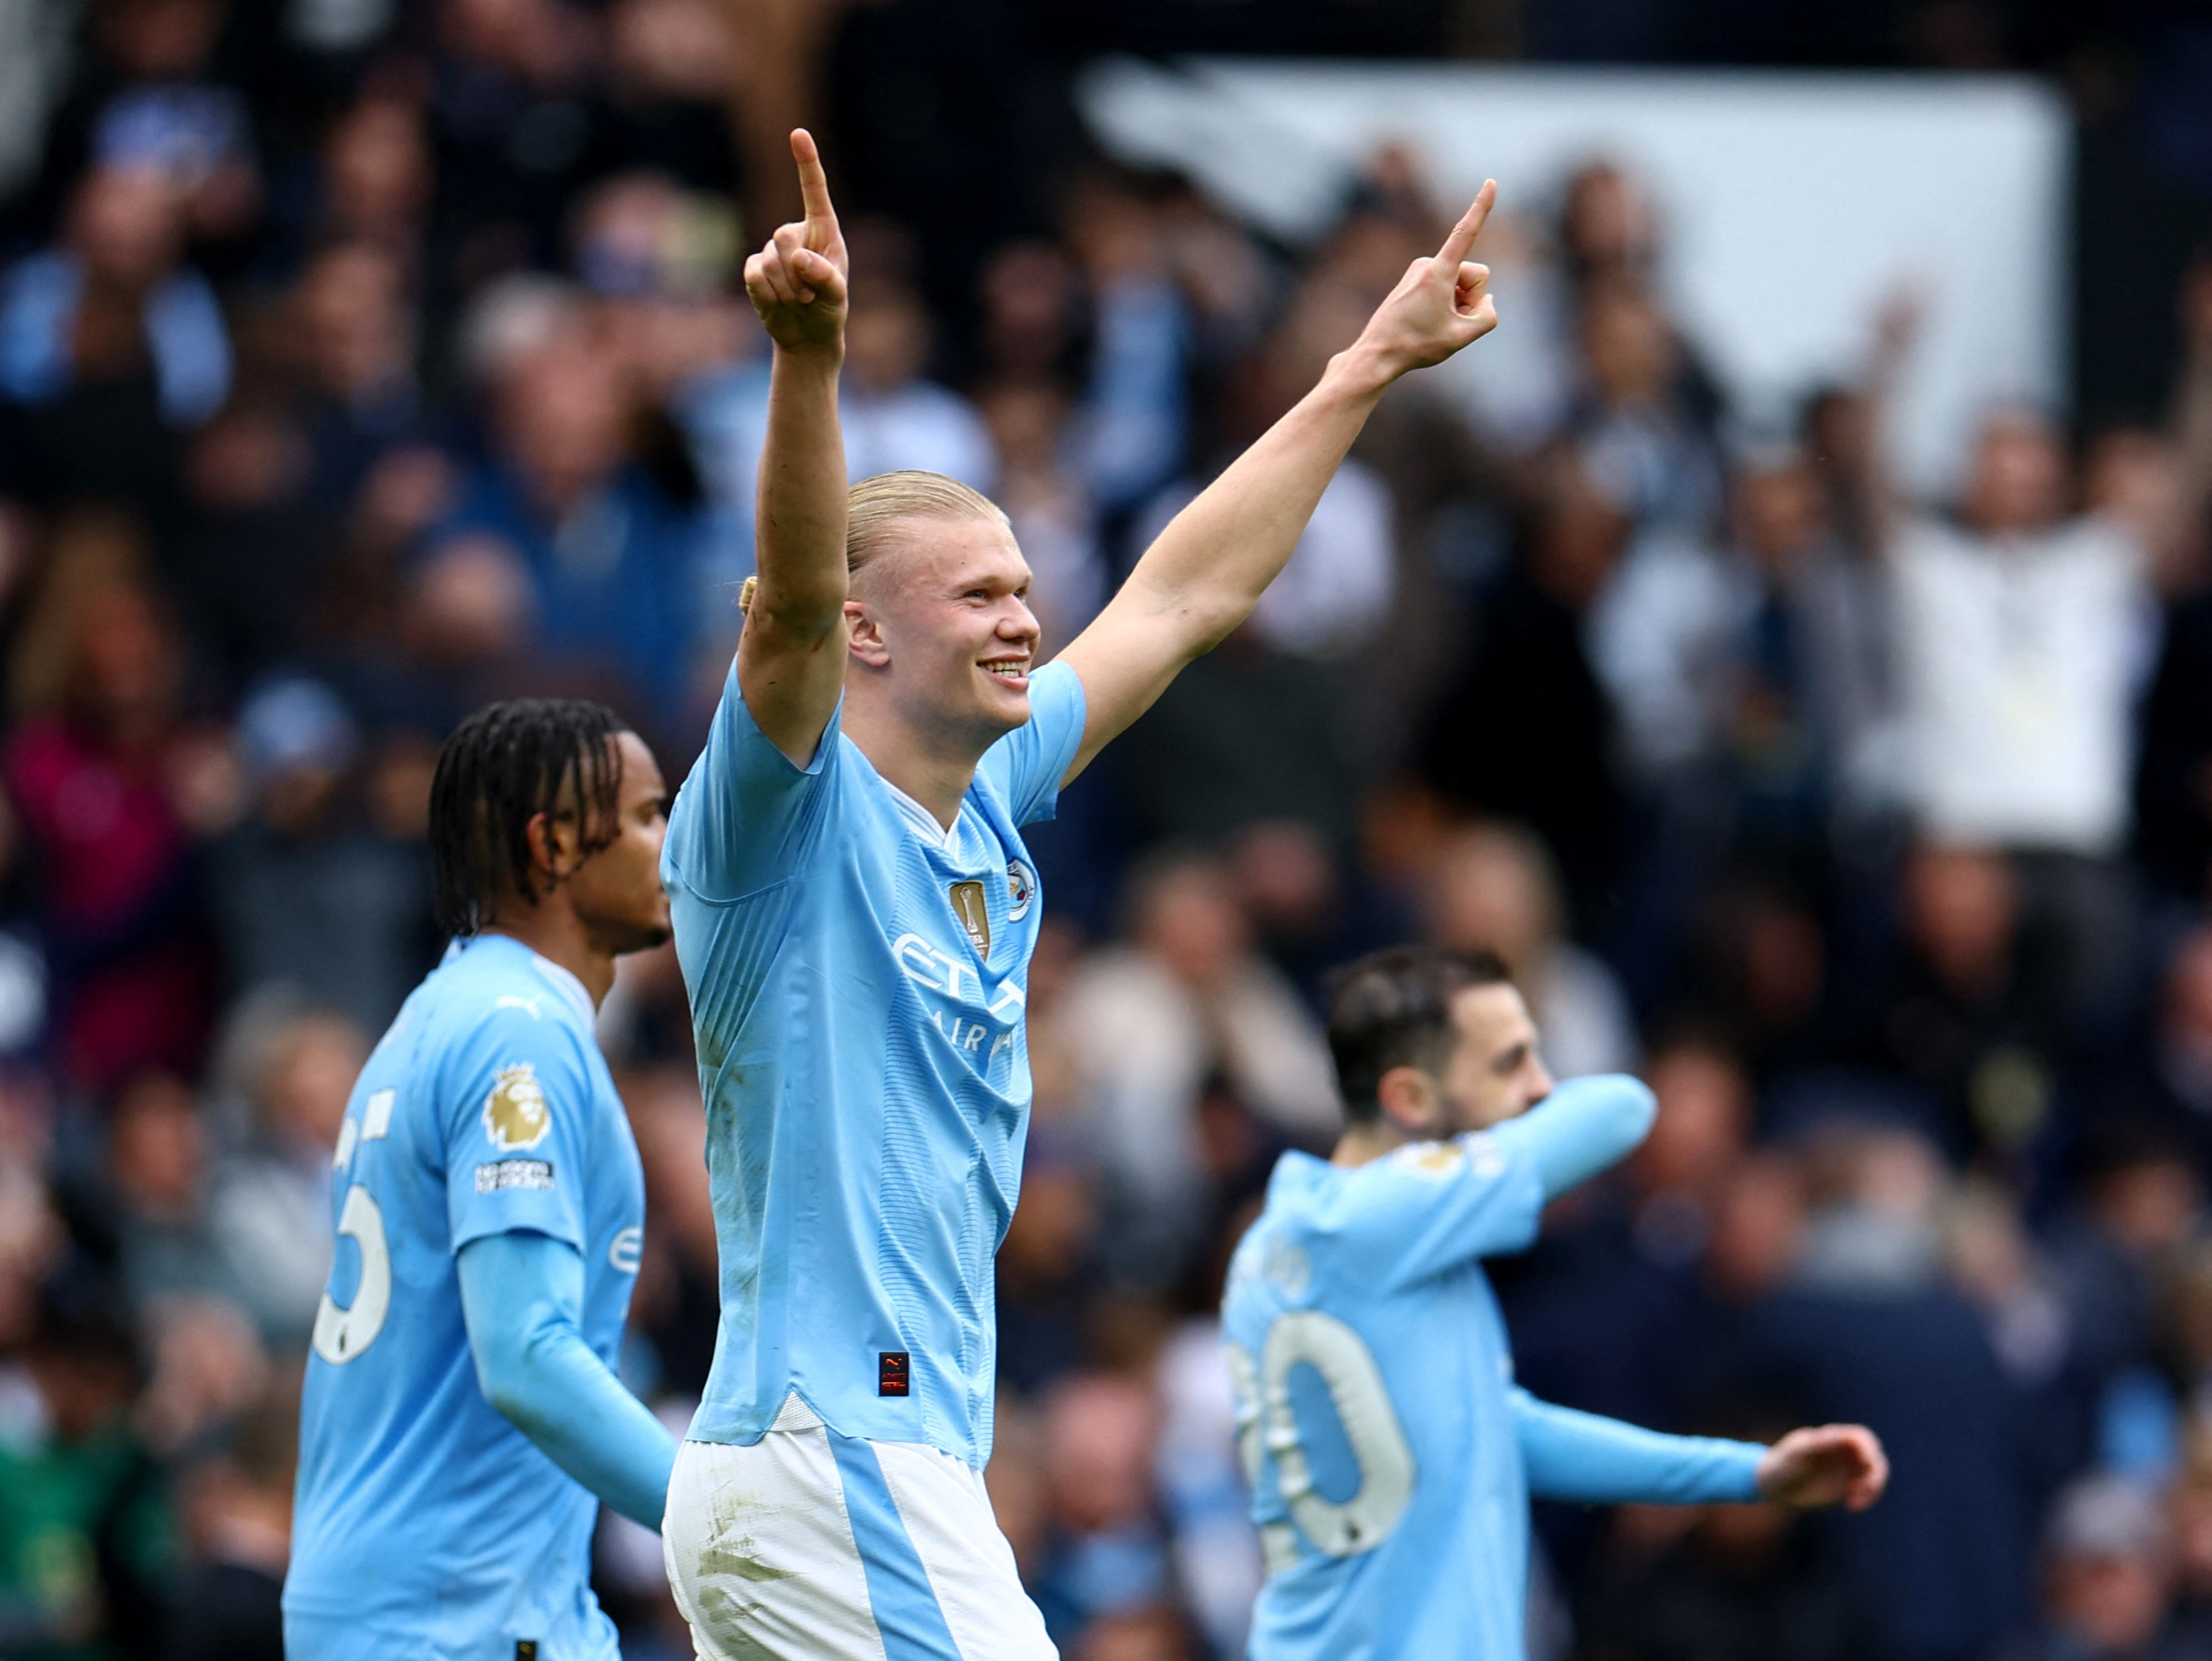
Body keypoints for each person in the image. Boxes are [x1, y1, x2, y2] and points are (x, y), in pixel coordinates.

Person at [657, 128, 1501, 1659]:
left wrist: (1363, 366)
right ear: (862, 633)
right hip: (836, 1453)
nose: (1022, 615)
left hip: (857, 1467)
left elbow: (1185, 593)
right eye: (977, 592)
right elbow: (778, 601)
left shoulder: (984, 789)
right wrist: (808, 366)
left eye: (1025, 586)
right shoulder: (775, 816)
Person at [1219, 946, 1891, 1661]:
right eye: (1508, 1063)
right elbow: (1620, 1108)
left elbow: (1494, 1424)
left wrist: (1745, 1474)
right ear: (1409, 1099)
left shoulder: (1285, 1242)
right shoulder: (1371, 1225)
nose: (1540, 1088)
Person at [282, 698, 679, 1660]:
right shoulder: (515, 1033)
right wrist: (733, 1517)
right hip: (452, 1614)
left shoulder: (437, 1015)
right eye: (642, 816)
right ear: (550, 846)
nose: (669, 841)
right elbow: (528, 1353)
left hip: (448, 1602)